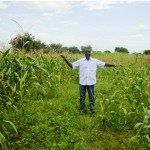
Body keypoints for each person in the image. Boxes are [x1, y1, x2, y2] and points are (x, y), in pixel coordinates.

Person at [60, 49, 121, 116]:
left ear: (90, 53)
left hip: (91, 82)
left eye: (88, 52)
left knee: (91, 97)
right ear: (84, 54)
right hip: (82, 82)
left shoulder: (95, 61)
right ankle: (82, 111)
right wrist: (64, 58)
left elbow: (104, 64)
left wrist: (114, 65)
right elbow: (71, 66)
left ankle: (92, 111)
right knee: (82, 97)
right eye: (86, 52)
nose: (87, 53)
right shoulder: (80, 61)